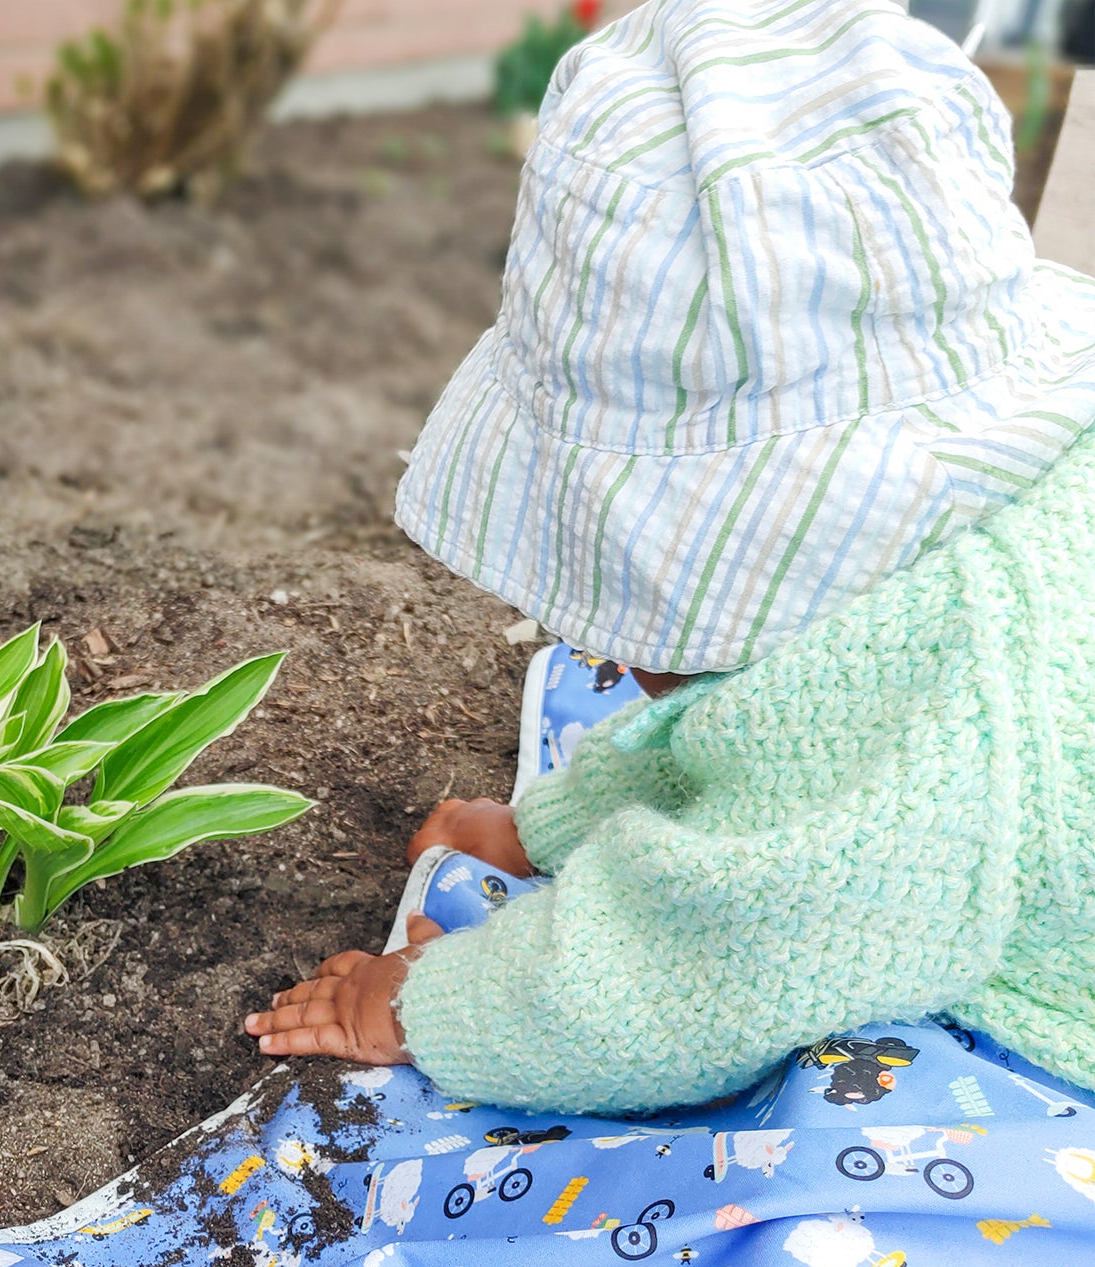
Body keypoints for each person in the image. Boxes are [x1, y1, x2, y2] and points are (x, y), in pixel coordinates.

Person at [245, 0, 1095, 1115]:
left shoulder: (929, 755)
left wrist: (422, 1001)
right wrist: (561, 825)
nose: (600, 640)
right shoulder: (975, 533)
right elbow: (781, 721)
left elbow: (685, 976)